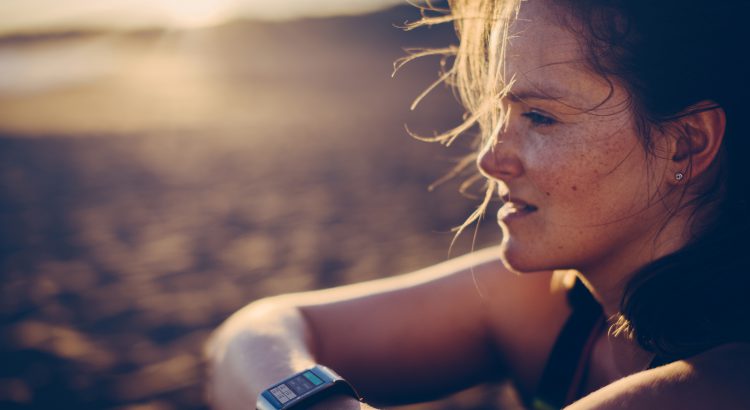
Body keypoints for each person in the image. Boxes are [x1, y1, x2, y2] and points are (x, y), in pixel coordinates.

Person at [205, 0, 750, 408]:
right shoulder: (553, 305)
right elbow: (251, 334)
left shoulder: (713, 385)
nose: (492, 159)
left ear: (686, 142)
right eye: (502, 113)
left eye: (540, 117)